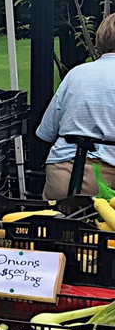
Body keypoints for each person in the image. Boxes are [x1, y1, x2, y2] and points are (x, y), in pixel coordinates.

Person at [37, 14, 115, 199]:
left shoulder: (75, 74)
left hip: (62, 172)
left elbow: (46, 132)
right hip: (108, 177)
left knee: (55, 216)